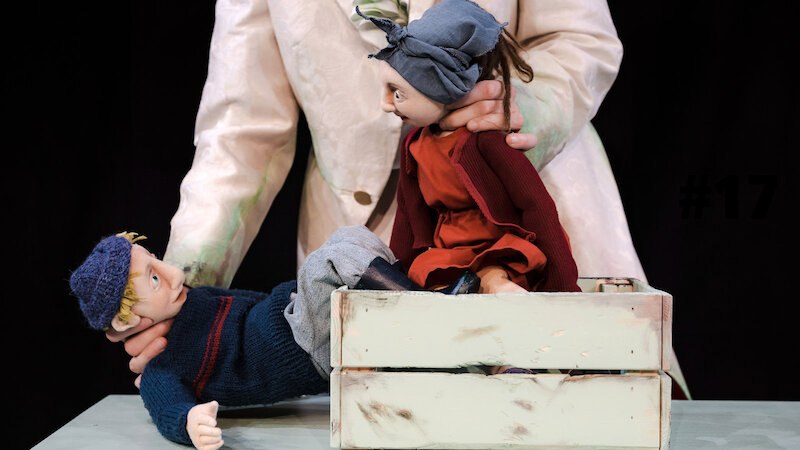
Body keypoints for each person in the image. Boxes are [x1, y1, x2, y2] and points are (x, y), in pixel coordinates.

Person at [114, 0, 690, 398]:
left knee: (592, 401)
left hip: (530, 190)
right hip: (361, 240)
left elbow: (580, 35)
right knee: (400, 420)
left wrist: (523, 111)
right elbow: (240, 134)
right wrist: (175, 296)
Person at [70, 226, 439, 449]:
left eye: (155, 259)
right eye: (153, 278)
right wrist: (189, 423)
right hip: (301, 348)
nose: (172, 272)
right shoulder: (163, 365)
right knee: (325, 263)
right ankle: (434, 313)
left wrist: (298, 301)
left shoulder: (194, 299)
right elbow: (166, 406)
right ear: (128, 319)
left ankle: (417, 307)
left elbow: (249, 305)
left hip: (295, 317)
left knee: (349, 235)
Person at [358, 0, 581, 296]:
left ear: (442, 88)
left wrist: (563, 286)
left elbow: (537, 206)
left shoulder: (486, 142)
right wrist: (399, 283)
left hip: (495, 242)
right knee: (431, 276)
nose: (385, 105)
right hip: (447, 248)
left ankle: (495, 283)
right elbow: (409, 220)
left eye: (397, 93)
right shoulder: (416, 148)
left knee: (495, 272)